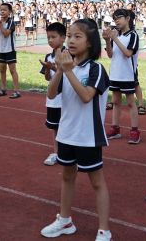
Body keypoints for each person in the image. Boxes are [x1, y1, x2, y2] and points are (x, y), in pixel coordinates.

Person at [40, 19, 112, 241]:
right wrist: (61, 71)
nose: (70, 40)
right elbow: (51, 94)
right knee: (67, 177)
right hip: (67, 133)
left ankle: (104, 230)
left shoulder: (96, 69)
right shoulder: (69, 67)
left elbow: (86, 96)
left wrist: (68, 71)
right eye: (69, 35)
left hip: (87, 136)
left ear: (90, 43)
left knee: (96, 182)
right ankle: (65, 220)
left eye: (77, 36)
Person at [103, 9, 141, 144]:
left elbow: (128, 53)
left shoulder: (133, 35)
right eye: (115, 19)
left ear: (128, 18)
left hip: (128, 75)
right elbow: (110, 55)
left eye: (119, 18)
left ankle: (135, 130)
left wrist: (114, 38)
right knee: (115, 102)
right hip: (115, 73)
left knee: (131, 103)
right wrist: (108, 41)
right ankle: (115, 128)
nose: (117, 21)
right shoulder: (116, 35)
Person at [39, 22, 66, 166]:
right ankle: (56, 152)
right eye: (48, 37)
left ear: (63, 38)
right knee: (55, 126)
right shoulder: (48, 56)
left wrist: (55, 67)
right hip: (53, 99)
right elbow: (48, 78)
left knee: (66, 125)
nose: (50, 40)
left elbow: (68, 74)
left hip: (66, 98)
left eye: (53, 37)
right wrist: (48, 69)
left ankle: (67, 152)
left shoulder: (68, 54)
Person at [0, 3, 21, 99]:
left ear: (9, 12)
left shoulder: (11, 22)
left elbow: (5, 34)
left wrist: (0, 24)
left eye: (4, 10)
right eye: (1, 10)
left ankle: (16, 91)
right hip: (1, 49)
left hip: (10, 49)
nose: (2, 11)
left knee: (12, 70)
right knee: (2, 70)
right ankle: (3, 89)